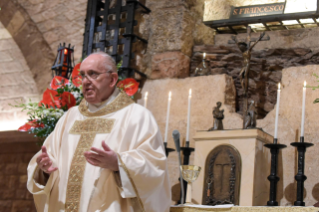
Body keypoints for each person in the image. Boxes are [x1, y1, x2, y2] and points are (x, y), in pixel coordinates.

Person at [27, 52, 171, 212]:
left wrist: (119, 163)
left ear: (112, 79)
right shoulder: (69, 117)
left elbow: (155, 168)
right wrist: (44, 169)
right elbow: (47, 160)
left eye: (93, 74)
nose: (86, 81)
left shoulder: (137, 116)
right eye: (83, 75)